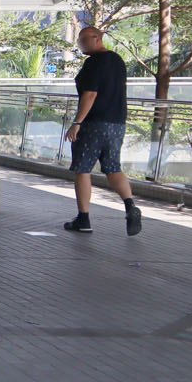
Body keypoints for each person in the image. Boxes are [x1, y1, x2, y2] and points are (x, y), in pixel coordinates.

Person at [64, 26, 142, 236]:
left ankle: (83, 218)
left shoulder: (94, 63)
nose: (80, 45)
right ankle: (130, 207)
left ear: (97, 39)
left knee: (82, 169)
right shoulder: (117, 60)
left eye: (83, 40)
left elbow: (90, 94)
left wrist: (77, 122)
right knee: (112, 167)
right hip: (117, 123)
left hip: (94, 123)